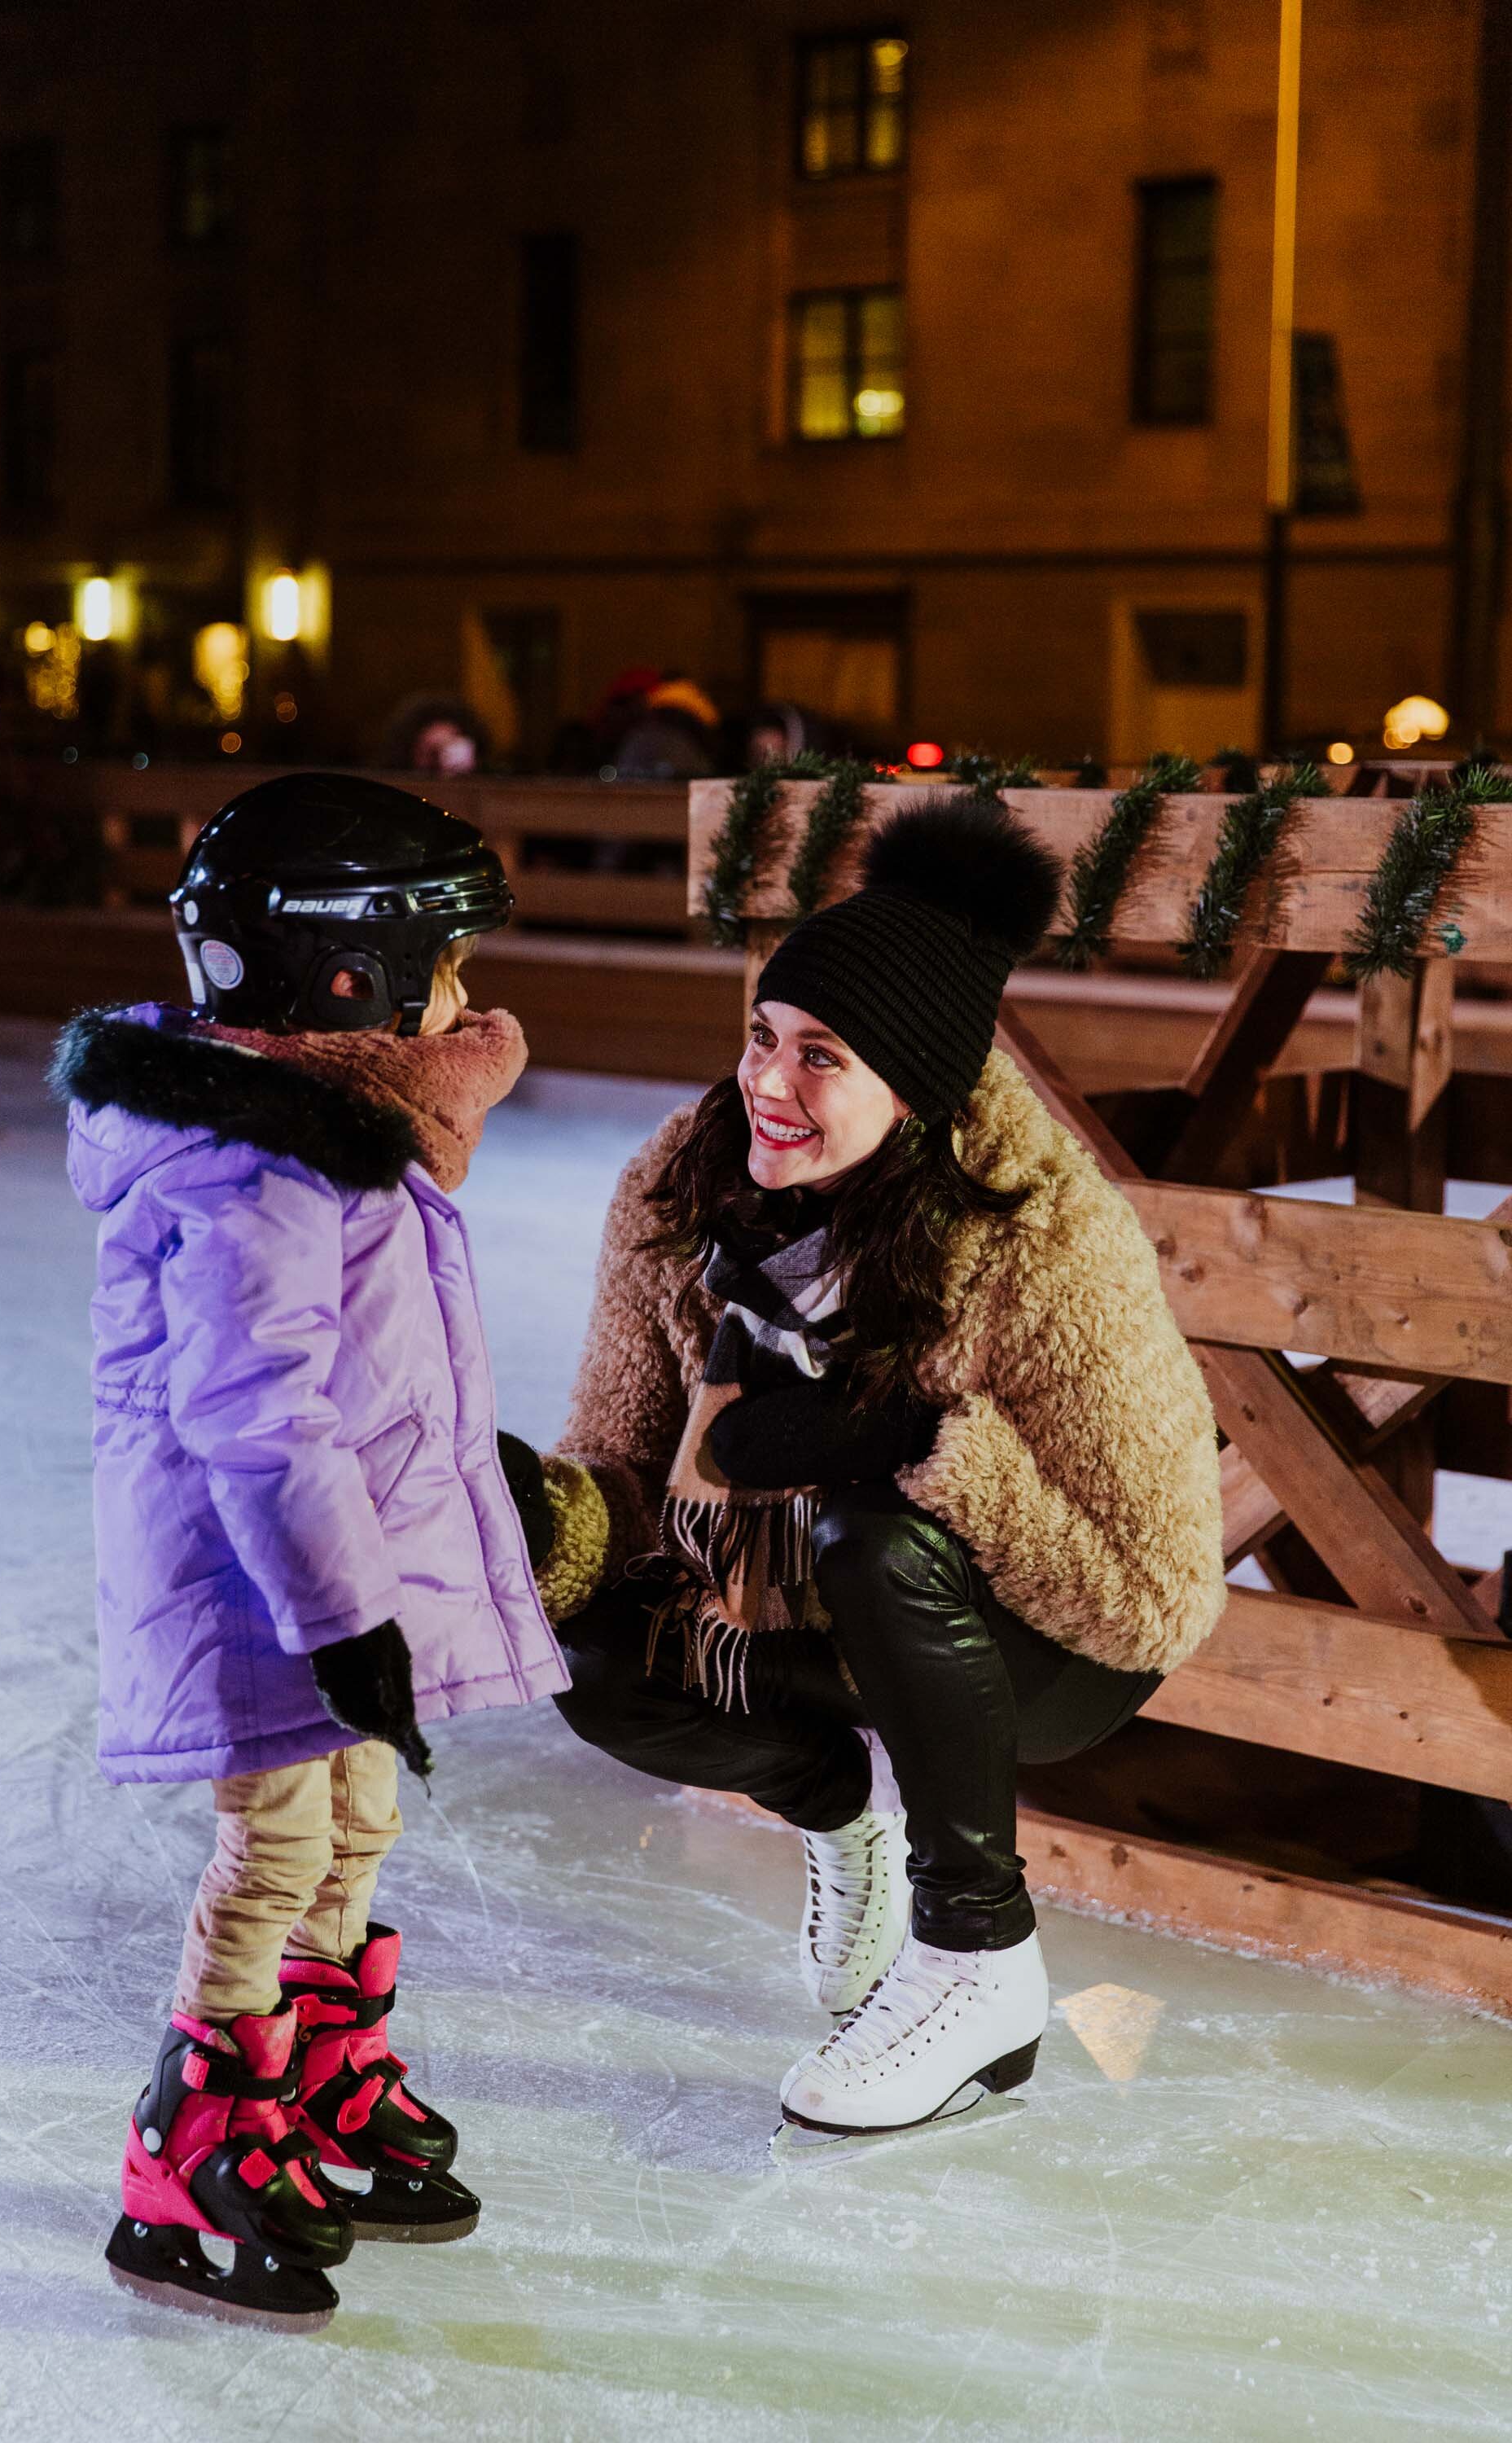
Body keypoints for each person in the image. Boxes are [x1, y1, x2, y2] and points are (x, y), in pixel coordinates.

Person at [540, 796, 1225, 2138]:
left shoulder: (1042, 1243)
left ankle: (977, 1962)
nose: (765, 1085)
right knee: (584, 1648)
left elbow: (1155, 1599)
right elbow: (620, 1459)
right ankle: (833, 1808)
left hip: (1041, 1654)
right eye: (761, 1037)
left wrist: (912, 1445)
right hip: (789, 1606)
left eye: (821, 1058)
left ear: (913, 1090)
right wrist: (538, 1520)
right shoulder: (683, 1193)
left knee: (873, 1530)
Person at [51, 772, 570, 2324]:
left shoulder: (341, 1129)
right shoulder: (257, 1160)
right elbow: (259, 1421)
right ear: (357, 979)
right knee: (278, 1844)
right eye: (451, 969)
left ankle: (318, 2073)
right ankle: (193, 2126)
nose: (469, 1000)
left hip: (338, 1579)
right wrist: (350, 1620)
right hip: (265, 1591)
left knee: (354, 1828)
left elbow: (381, 1387)